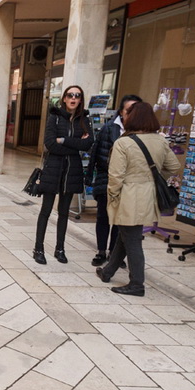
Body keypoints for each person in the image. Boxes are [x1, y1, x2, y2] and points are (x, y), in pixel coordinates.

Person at [95, 102, 181, 297]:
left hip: (128, 196)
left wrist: (113, 197)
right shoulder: (160, 141)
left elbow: (115, 176)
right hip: (148, 195)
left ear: (132, 118)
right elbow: (174, 167)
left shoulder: (123, 143)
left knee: (132, 239)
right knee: (125, 235)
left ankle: (137, 283)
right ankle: (108, 272)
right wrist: (154, 178)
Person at [33, 85, 92, 265]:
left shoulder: (84, 120)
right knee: (46, 210)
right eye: (70, 95)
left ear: (80, 100)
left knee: (64, 212)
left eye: (77, 95)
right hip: (53, 167)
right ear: (64, 98)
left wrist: (65, 140)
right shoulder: (55, 117)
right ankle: (39, 248)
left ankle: (60, 248)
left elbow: (88, 144)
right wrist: (74, 145)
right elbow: (50, 143)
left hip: (71, 170)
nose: (73, 98)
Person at [86, 94, 141, 266]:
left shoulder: (142, 131)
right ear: (121, 111)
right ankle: (101, 251)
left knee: (120, 220)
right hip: (107, 179)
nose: (132, 114)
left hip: (129, 183)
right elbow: (97, 152)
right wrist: (91, 176)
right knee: (103, 216)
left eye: (136, 110)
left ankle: (115, 254)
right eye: (128, 110)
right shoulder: (110, 128)